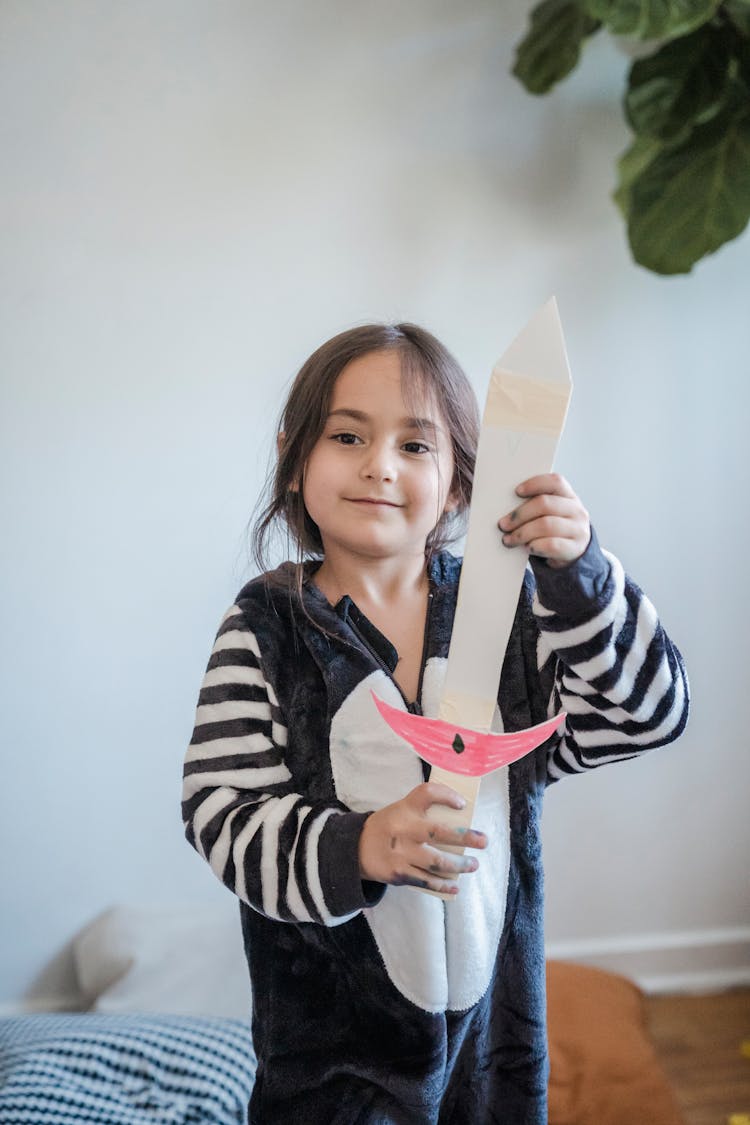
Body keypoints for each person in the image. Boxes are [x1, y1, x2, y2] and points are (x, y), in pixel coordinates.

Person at [182, 323, 689, 1124]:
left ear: (460, 483)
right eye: (348, 435)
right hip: (331, 1070)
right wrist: (363, 845)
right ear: (293, 456)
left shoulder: (513, 613)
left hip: (494, 1058)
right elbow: (222, 814)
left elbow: (645, 714)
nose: (380, 463)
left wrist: (583, 577)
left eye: (416, 446)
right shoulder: (266, 629)